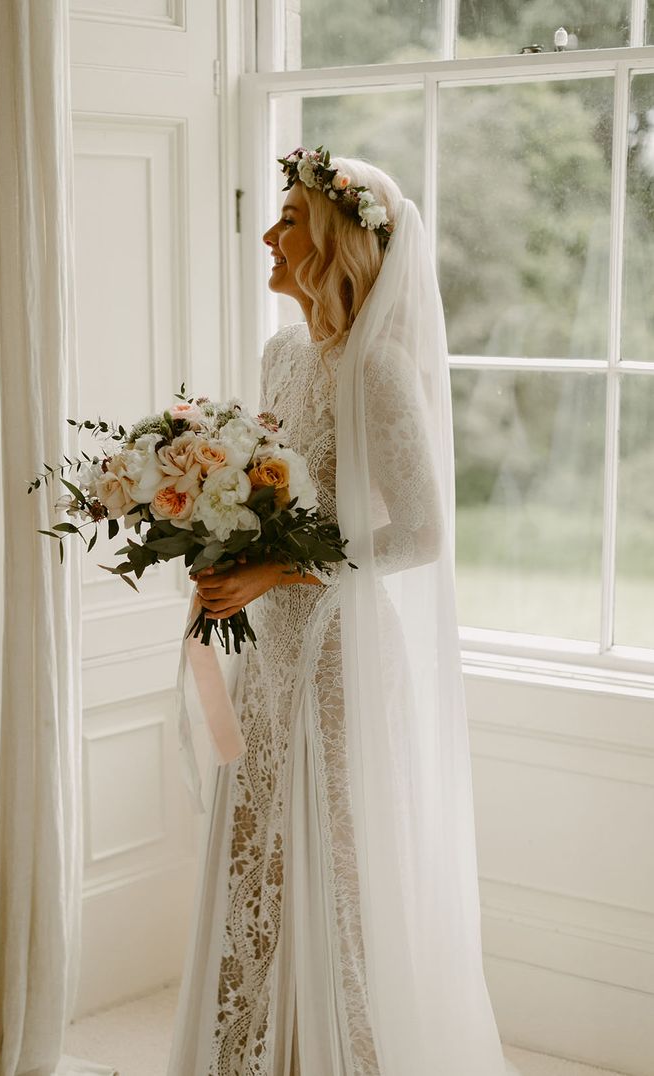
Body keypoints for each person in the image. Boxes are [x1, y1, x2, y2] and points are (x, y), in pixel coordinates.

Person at [168, 148, 520, 1075]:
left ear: (332, 241)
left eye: (288, 220)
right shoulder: (281, 354)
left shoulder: (380, 369)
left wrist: (274, 577)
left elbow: (422, 536)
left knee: (332, 864)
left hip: (336, 656)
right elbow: (267, 492)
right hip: (268, 648)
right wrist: (217, 544)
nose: (268, 234)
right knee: (255, 844)